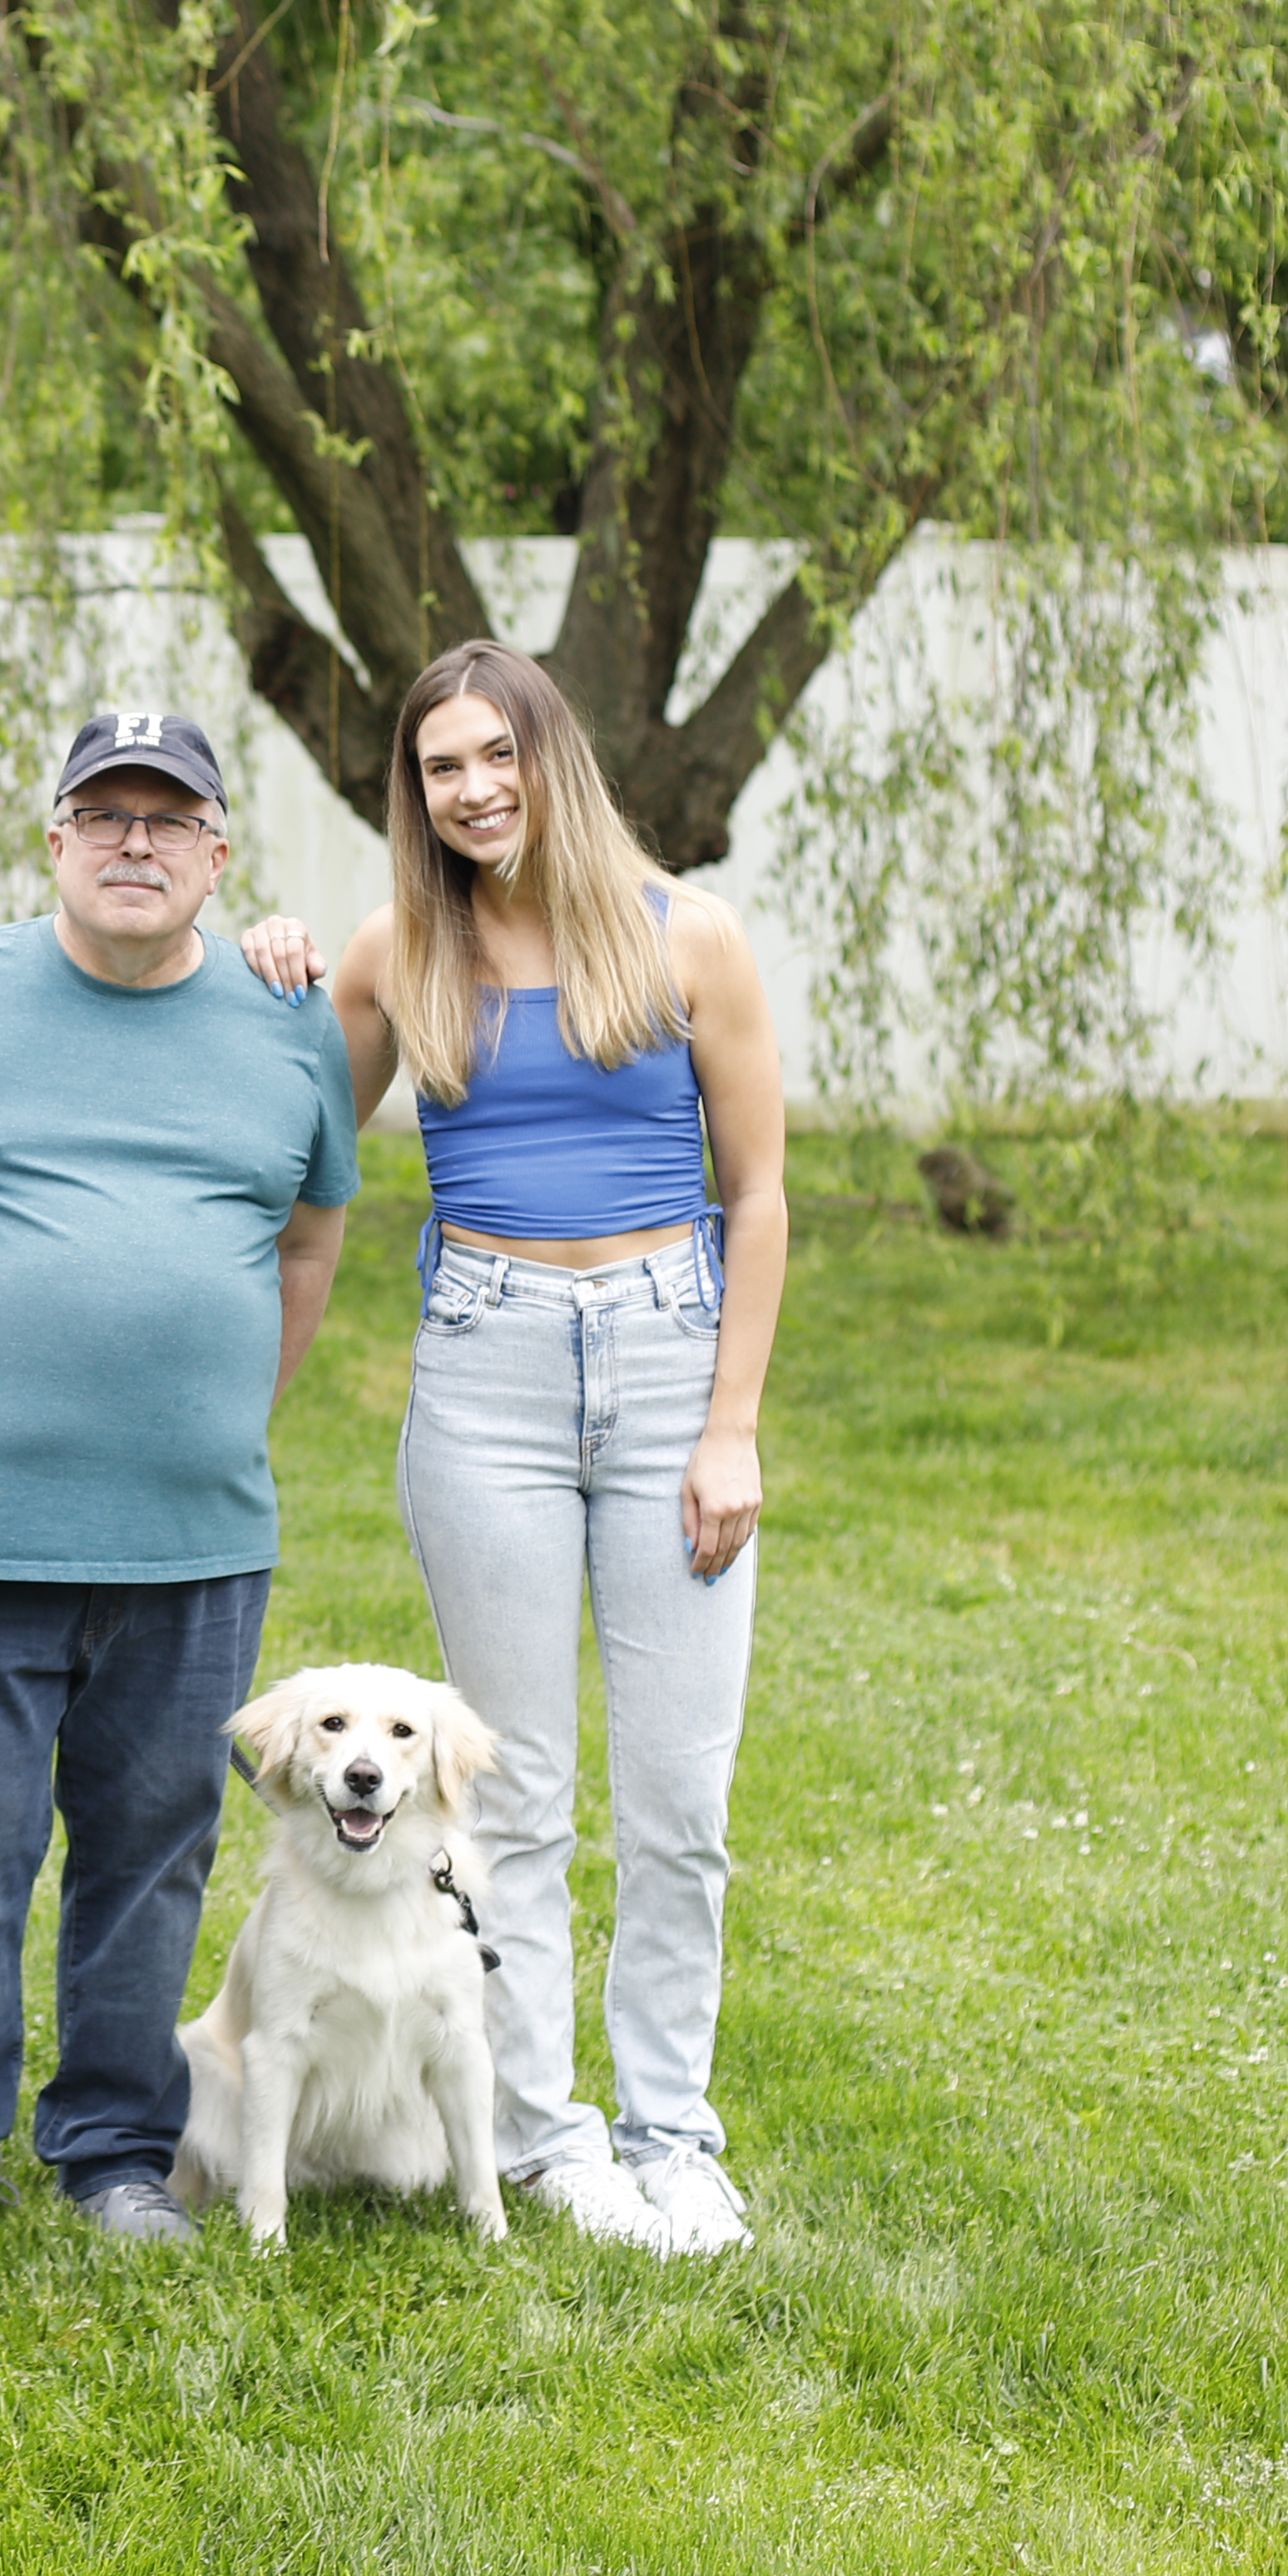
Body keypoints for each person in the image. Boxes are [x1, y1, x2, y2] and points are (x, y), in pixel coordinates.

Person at [0, 709, 364, 2260]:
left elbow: (313, 1240)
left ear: (217, 853)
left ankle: (115, 2152)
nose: (134, 843)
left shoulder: (290, 1025)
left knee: (151, 1852)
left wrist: (211, 1413)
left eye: (168, 820)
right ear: (54, 840)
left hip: (193, 1540)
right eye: (104, 816)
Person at [320, 641, 793, 2261]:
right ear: (417, 791)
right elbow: (298, 1136)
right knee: (506, 1800)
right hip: (486, 1375)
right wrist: (261, 967)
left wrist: (732, 1427)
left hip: (669, 1359)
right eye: (440, 766)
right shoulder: (404, 952)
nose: (471, 789)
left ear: (549, 758)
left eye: (494, 755)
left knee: (679, 1799)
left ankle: (674, 2136)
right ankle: (547, 2137)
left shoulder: (688, 940)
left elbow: (763, 1195)